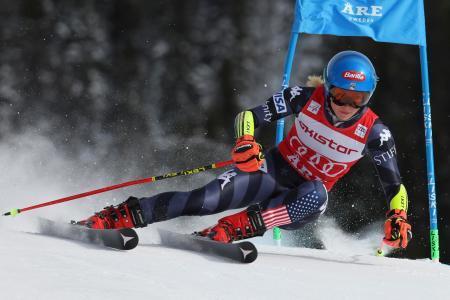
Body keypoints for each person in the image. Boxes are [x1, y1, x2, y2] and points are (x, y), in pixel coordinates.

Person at [79, 50, 412, 249]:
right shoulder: (302, 97)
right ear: (327, 87)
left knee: (317, 193)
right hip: (271, 171)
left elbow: (394, 186)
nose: (347, 106)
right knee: (205, 200)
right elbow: (249, 116)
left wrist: (398, 215)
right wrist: (245, 142)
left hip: (301, 203)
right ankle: (121, 215)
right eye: (341, 95)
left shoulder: (375, 132)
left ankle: (234, 228)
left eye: (358, 99)